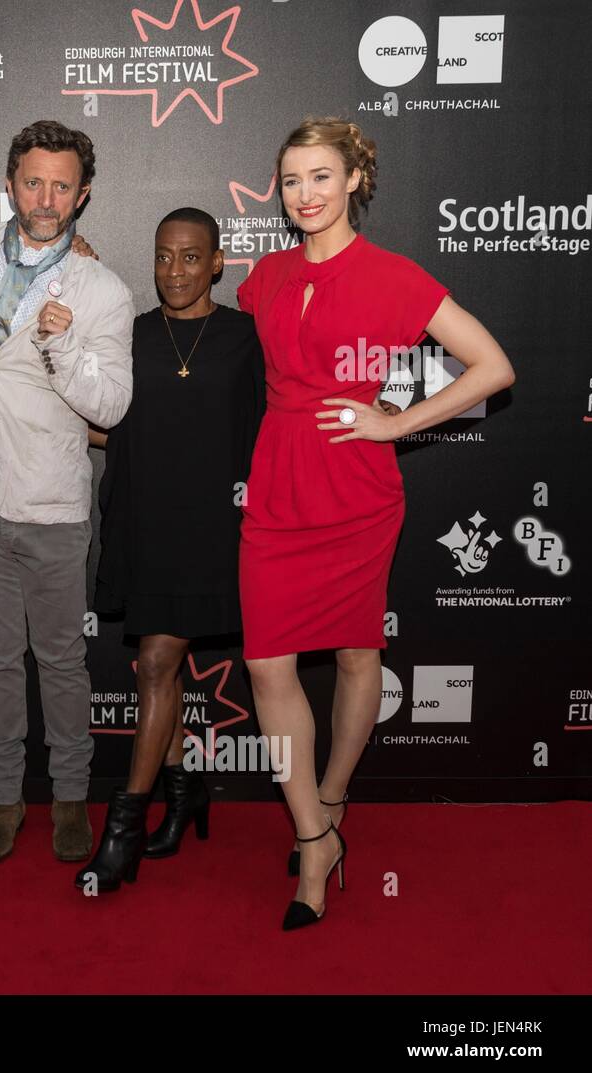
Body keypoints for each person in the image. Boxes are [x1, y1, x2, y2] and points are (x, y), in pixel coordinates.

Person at [238, 117, 514, 929]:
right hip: (278, 483)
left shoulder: (395, 277)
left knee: (360, 654)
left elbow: (493, 366)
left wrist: (396, 423)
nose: (305, 195)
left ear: (356, 179)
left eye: (321, 177)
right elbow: (221, 322)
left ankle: (328, 801)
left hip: (357, 490)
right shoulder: (267, 274)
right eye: (291, 181)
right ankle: (315, 836)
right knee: (265, 665)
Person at [0, 120, 134, 864]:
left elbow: (109, 407)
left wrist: (63, 342)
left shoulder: (100, 287)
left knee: (61, 660)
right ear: (9, 183)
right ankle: (4, 799)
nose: (46, 199)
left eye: (62, 185)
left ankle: (70, 797)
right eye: (33, 182)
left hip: (49, 497)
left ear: (84, 194)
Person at [79, 207, 264, 891]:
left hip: (216, 525)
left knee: (156, 659)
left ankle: (123, 826)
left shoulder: (247, 338)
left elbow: (269, 429)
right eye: (163, 256)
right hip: (147, 519)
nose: (175, 271)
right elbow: (106, 424)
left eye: (191, 257)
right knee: (160, 667)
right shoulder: (128, 336)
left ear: (217, 262)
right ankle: (186, 790)